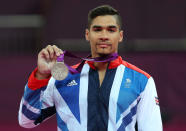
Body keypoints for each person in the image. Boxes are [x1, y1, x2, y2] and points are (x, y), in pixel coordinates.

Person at [18, 5, 163, 131]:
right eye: (97, 29)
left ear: (120, 36)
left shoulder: (142, 81)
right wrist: (41, 76)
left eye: (111, 30)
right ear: (88, 34)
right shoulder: (61, 79)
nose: (104, 36)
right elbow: (26, 121)